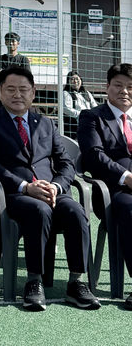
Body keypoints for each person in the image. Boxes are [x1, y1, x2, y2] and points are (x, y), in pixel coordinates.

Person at [0, 66, 100, 311]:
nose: (17, 95)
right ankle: (34, 281)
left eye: (23, 89)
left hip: (51, 191)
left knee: (75, 212)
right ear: (0, 92)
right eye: (10, 89)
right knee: (38, 211)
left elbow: (65, 162)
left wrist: (56, 186)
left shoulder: (44, 122)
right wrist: (25, 187)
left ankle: (77, 282)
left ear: (33, 93)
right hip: (15, 194)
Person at [77, 63, 132, 310]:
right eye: (118, 85)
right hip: (113, 189)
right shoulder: (92, 117)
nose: (124, 91)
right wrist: (127, 177)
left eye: (130, 87)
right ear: (107, 87)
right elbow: (93, 156)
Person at [63, 71, 98, 137]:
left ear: (81, 80)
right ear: (68, 82)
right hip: (75, 125)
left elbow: (94, 106)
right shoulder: (66, 93)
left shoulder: (86, 93)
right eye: (72, 79)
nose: (75, 81)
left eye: (77, 79)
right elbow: (66, 109)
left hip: (89, 123)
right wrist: (82, 114)